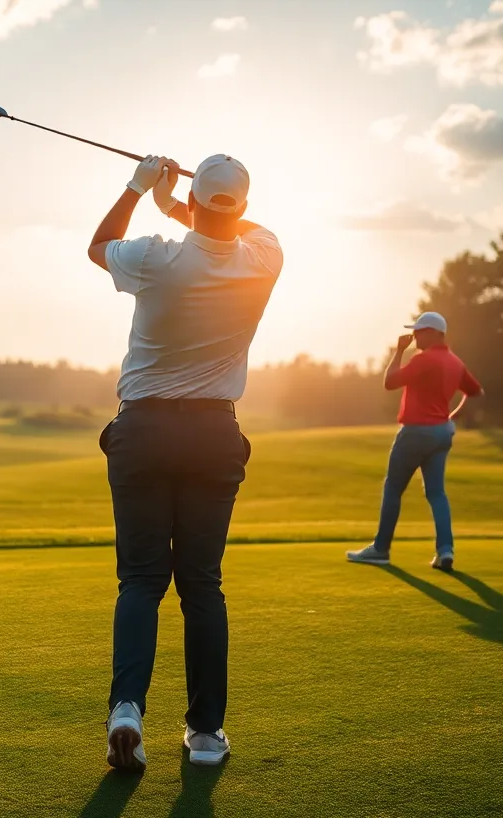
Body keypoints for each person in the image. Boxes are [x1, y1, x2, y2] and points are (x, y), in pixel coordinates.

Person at [86, 154, 283, 771]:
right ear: (244, 207)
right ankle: (203, 736)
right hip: (212, 433)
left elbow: (99, 246)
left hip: (142, 428)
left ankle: (126, 711)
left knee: (141, 581)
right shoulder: (266, 255)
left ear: (197, 202)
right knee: (201, 584)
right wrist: (180, 199)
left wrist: (142, 186)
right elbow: (227, 224)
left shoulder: (155, 256)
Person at [347, 312, 484, 572]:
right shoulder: (456, 362)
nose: (416, 335)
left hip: (416, 432)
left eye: (420, 331)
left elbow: (389, 382)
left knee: (393, 489)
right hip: (442, 432)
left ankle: (380, 549)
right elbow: (476, 393)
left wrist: (399, 352)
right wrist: (452, 417)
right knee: (436, 493)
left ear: (434, 333)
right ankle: (445, 551)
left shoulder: (423, 360)